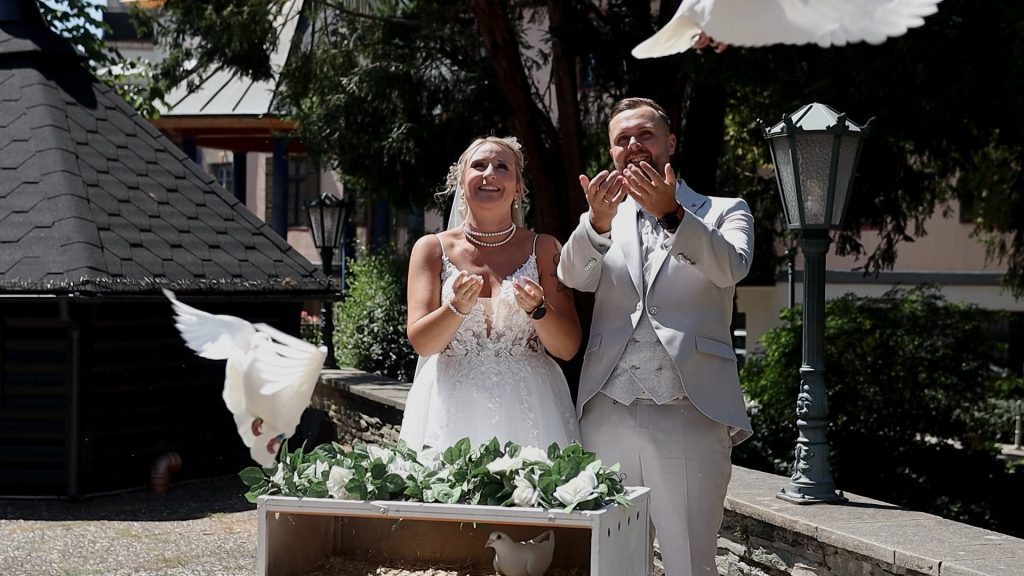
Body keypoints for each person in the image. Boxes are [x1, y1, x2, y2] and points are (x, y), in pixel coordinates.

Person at [557, 97, 753, 576]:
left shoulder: (723, 211)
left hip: (690, 408)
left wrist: (673, 216)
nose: (632, 145)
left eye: (644, 134)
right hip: (606, 409)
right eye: (621, 139)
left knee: (689, 562)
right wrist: (596, 223)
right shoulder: (603, 221)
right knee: (612, 563)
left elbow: (731, 266)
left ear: (670, 142)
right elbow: (572, 276)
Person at [399, 136, 582, 452]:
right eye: (479, 165)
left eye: (502, 167)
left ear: (518, 187)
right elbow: (423, 342)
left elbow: (567, 348)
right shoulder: (431, 249)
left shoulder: (545, 249)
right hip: (449, 407)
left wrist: (538, 309)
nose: (490, 174)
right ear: (461, 179)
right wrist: (455, 307)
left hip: (531, 407)